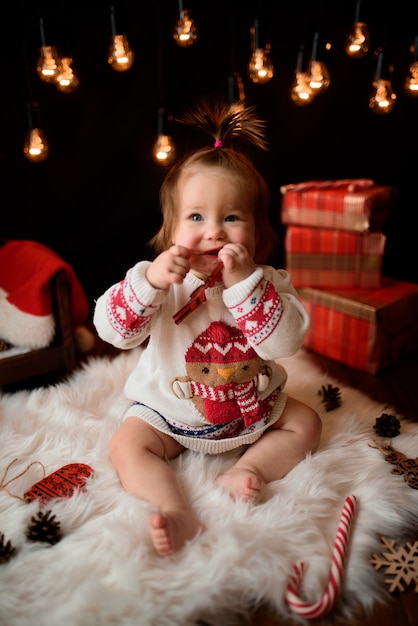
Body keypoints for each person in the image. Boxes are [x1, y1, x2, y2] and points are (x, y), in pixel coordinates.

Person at [93, 101, 322, 557]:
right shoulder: (162, 282)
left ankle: (246, 469)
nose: (214, 232)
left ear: (258, 231)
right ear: (171, 230)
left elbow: (285, 343)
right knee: (126, 443)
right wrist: (151, 283)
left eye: (232, 218)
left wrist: (245, 287)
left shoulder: (269, 283)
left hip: (253, 409)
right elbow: (113, 332)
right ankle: (174, 509)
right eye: (196, 218)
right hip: (169, 415)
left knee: (307, 422)